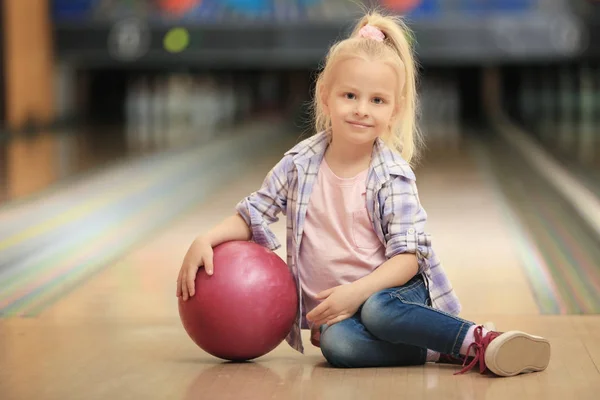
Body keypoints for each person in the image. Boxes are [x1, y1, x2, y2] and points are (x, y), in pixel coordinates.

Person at [176, 11, 551, 377]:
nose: (361, 110)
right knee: (338, 346)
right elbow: (253, 212)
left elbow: (408, 260)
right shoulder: (299, 163)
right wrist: (206, 239)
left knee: (377, 311)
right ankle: (439, 346)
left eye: (377, 101)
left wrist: (355, 294)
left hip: (394, 294)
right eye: (350, 95)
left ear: (395, 110)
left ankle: (477, 339)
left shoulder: (391, 175)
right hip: (343, 312)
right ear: (325, 96)